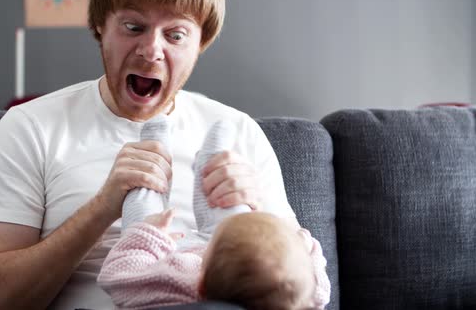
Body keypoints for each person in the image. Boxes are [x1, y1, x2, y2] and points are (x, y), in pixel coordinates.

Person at [0, 0, 302, 309]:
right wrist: (102, 208)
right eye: (133, 27)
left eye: (176, 35)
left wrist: (257, 212)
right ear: (100, 26)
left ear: (201, 42)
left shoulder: (238, 133)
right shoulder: (30, 127)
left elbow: (304, 289)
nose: (152, 50)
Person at [97, 119, 330, 309]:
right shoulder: (307, 294)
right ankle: (214, 164)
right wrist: (295, 240)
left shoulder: (171, 284)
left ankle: (152, 157)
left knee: (143, 205)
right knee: (236, 213)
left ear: (200, 287)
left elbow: (120, 273)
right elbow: (315, 268)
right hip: (236, 251)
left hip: (169, 250)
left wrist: (149, 233)